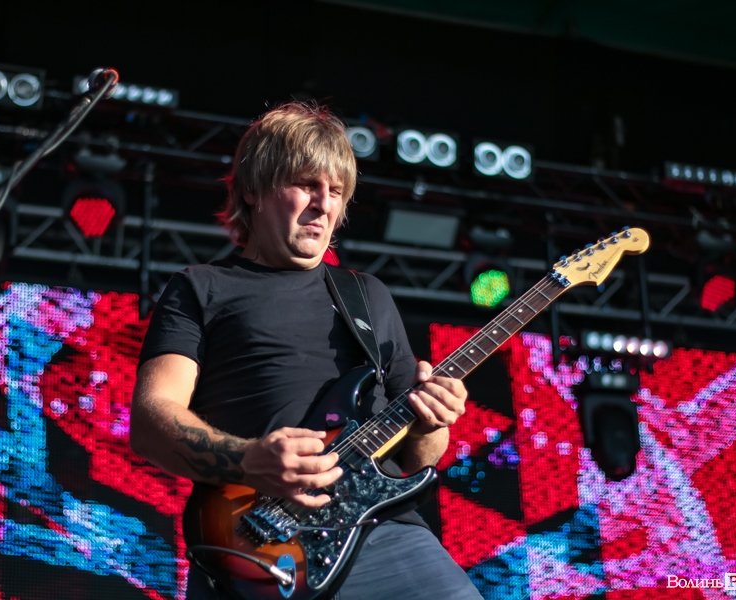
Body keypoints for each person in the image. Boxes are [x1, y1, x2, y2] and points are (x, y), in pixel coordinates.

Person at [130, 101, 483, 599]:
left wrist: (433, 421)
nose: (323, 204)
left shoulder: (367, 295)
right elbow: (150, 421)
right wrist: (249, 459)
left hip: (385, 536)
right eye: (305, 184)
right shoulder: (200, 288)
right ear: (252, 190)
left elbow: (416, 459)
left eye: (336, 191)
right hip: (256, 542)